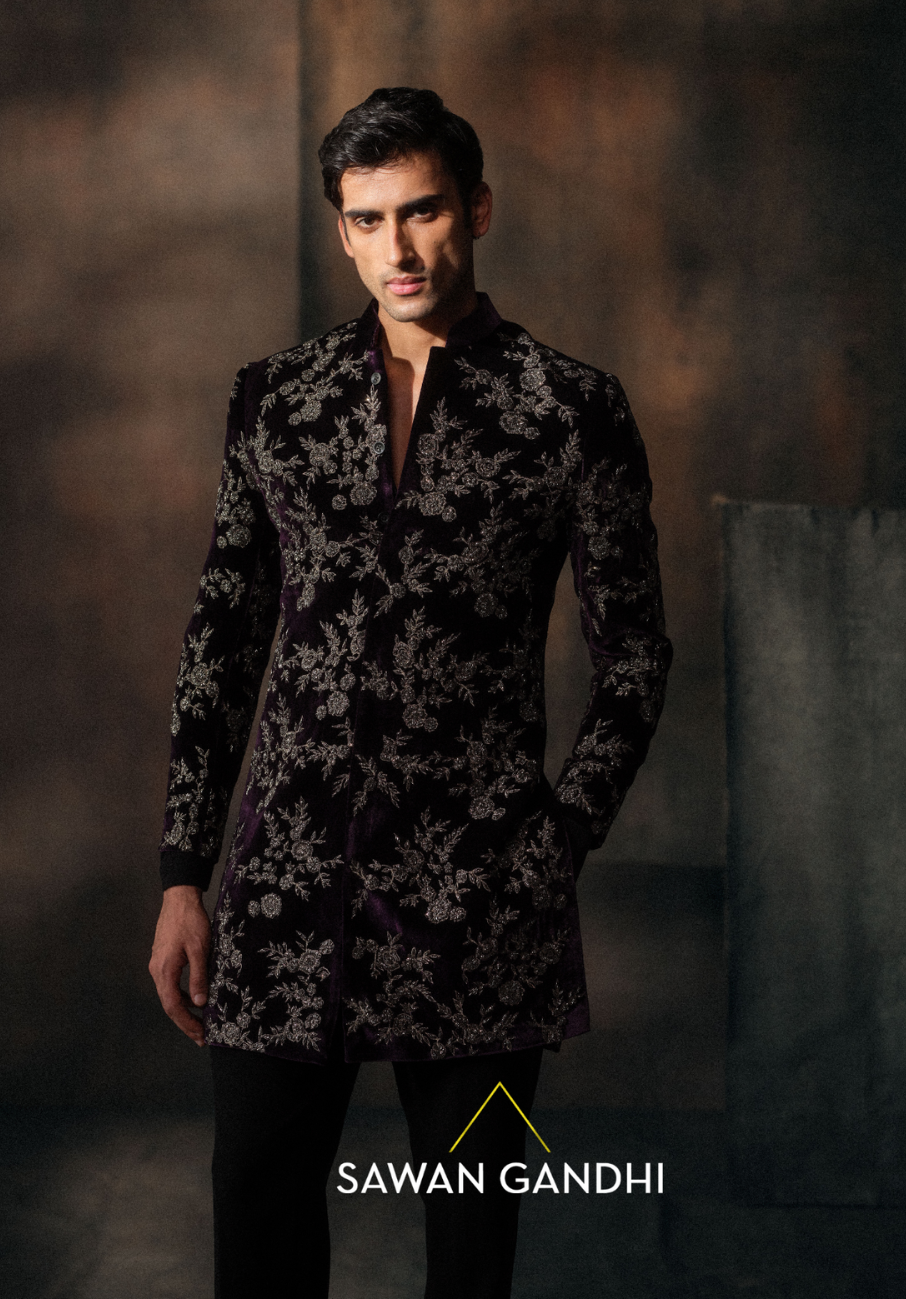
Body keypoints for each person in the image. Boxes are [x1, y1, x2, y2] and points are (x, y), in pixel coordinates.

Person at [149, 86, 672, 1298]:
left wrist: (556, 838)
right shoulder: (275, 401)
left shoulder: (571, 411)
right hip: (284, 891)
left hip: (482, 899)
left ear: (475, 210)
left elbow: (634, 657)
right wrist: (182, 872)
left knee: (471, 1246)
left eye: (423, 211)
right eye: (369, 218)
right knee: (260, 1231)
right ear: (341, 231)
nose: (399, 247)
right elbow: (222, 639)